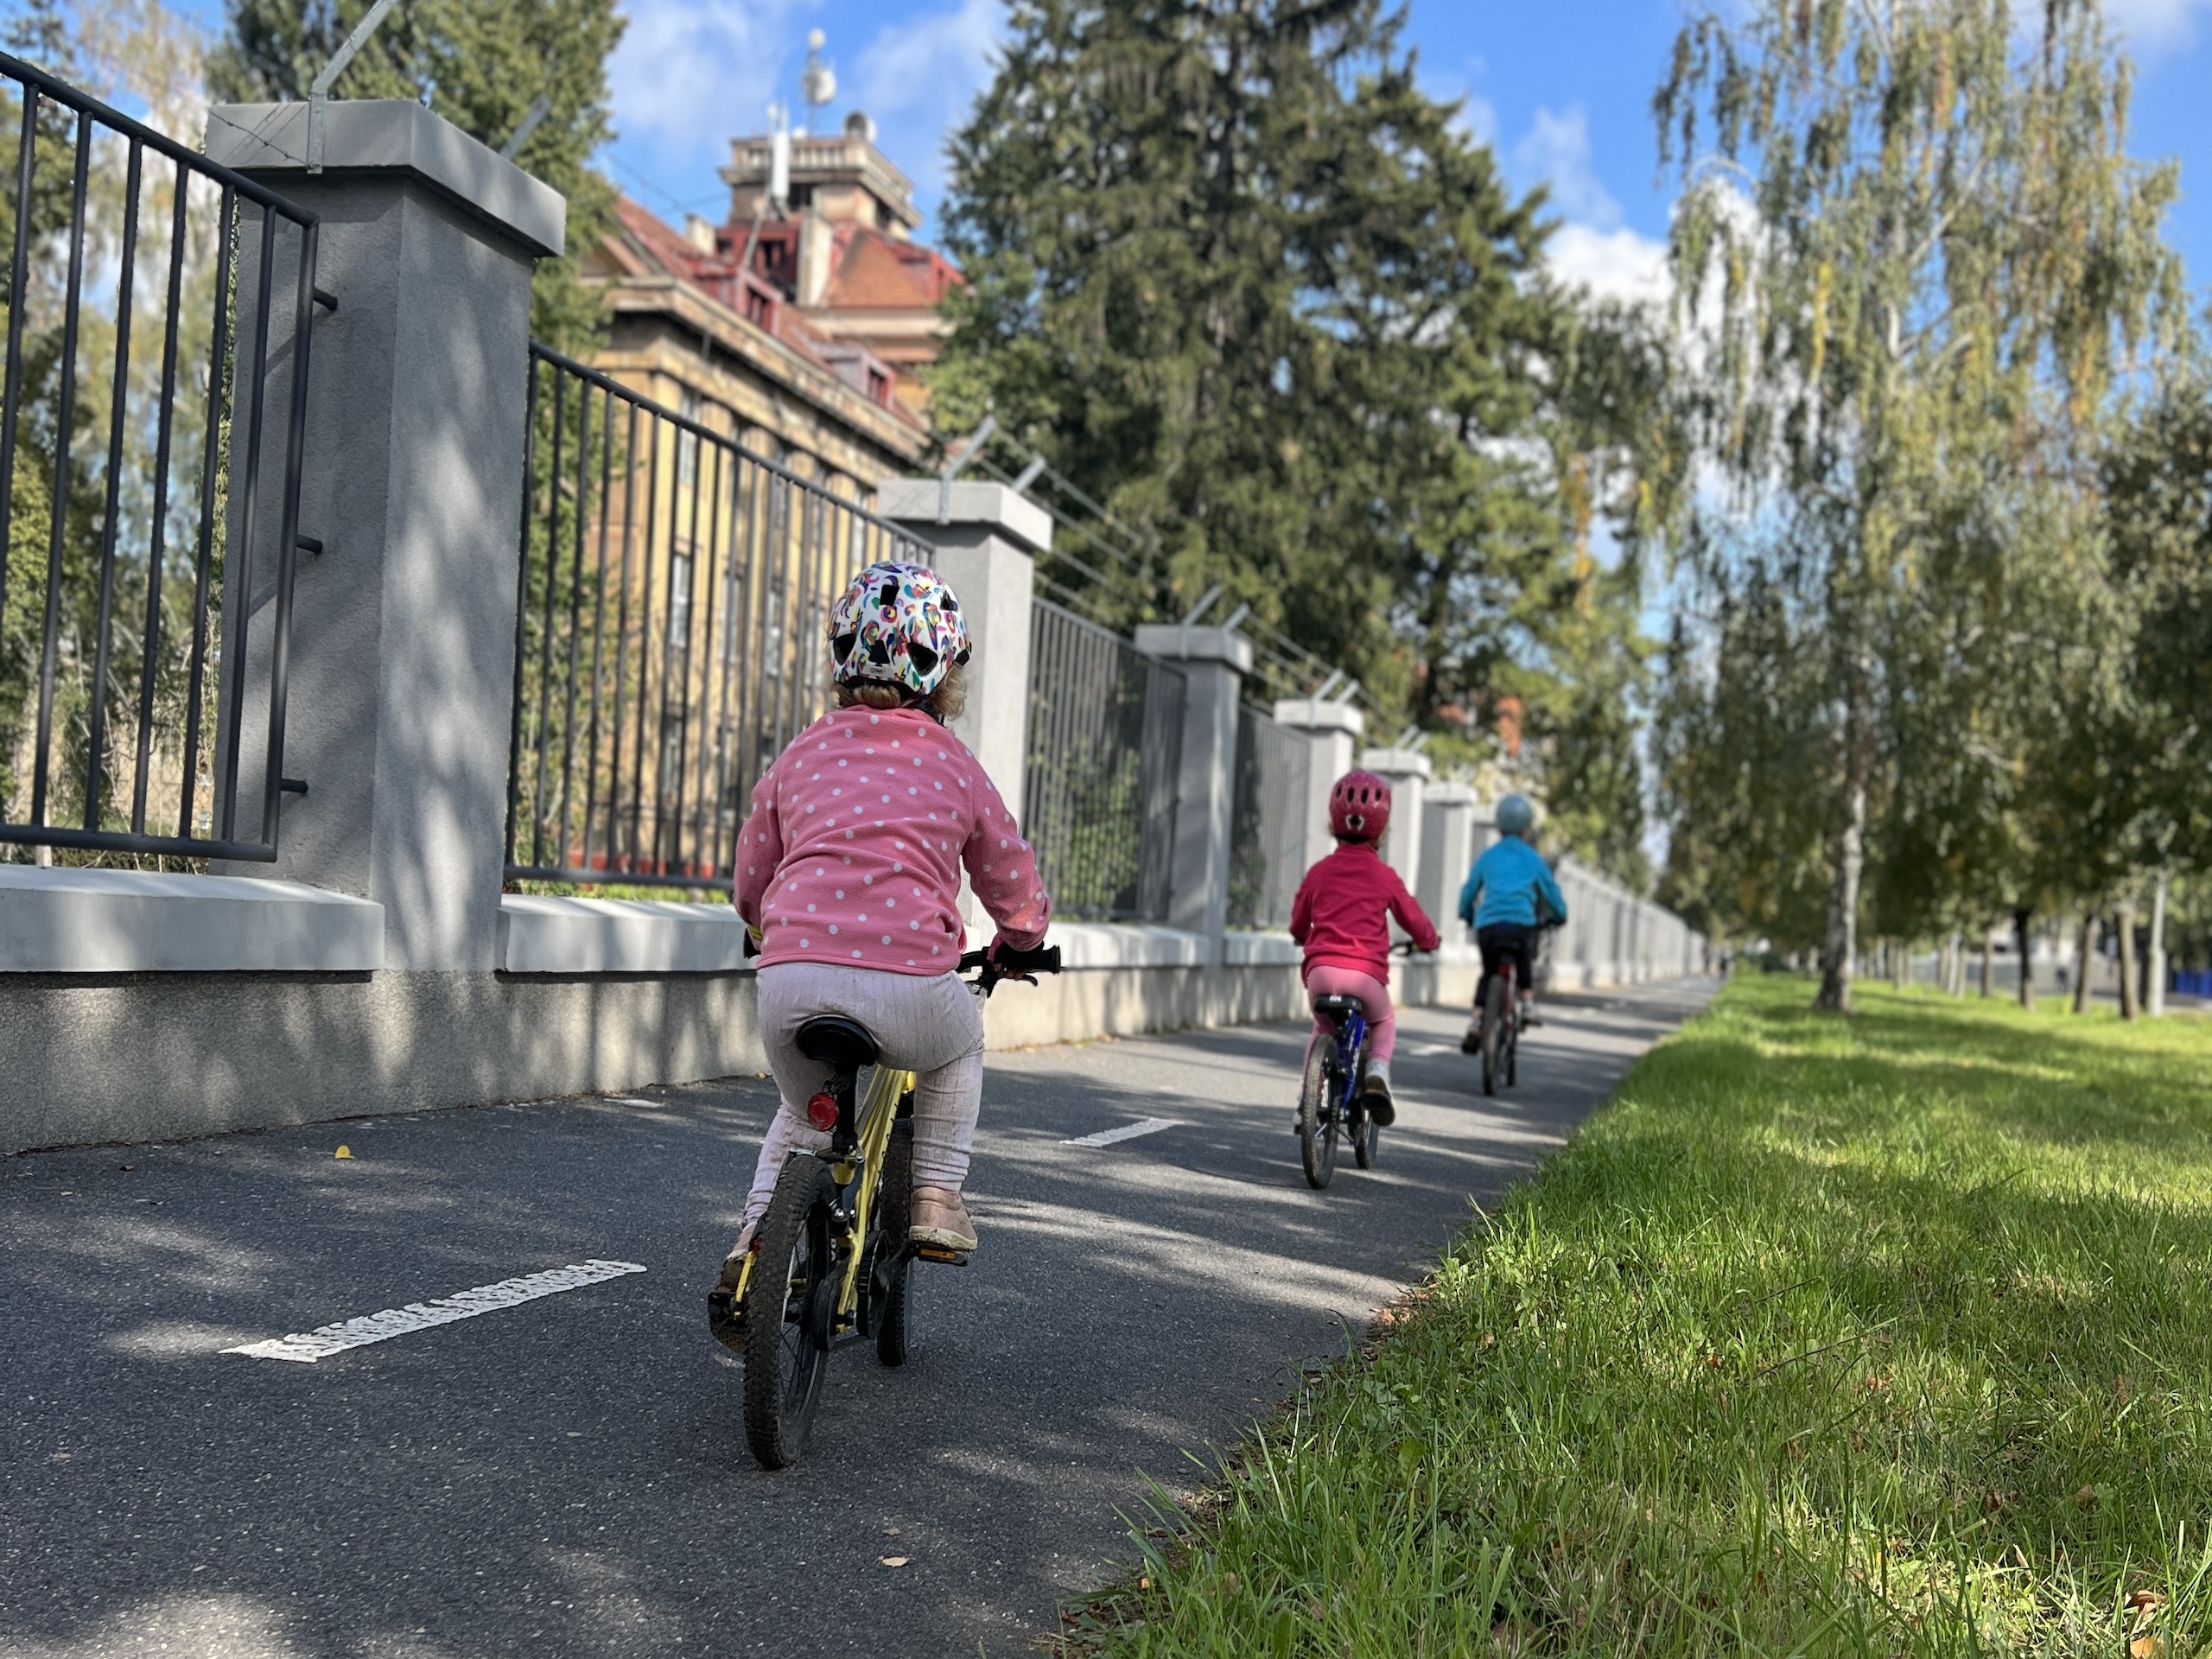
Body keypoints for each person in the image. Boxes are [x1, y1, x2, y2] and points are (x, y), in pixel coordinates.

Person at [719, 560, 1051, 1287]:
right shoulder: (954, 763)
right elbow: (1010, 876)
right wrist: (1022, 940)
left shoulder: (804, 749)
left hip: (790, 984)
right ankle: (935, 1194)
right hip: (911, 990)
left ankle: (752, 1250)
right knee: (958, 1048)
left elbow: (753, 865)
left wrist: (760, 925)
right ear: (944, 678)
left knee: (801, 1114)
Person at [1287, 770, 1440, 1126]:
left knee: (1323, 1030)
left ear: (1333, 823)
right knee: (1383, 1021)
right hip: (1365, 978)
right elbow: (1415, 921)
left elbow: (1298, 922)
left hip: (1320, 975)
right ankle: (1376, 1072)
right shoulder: (1385, 876)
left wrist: (1300, 935)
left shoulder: (1319, 872)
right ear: (1381, 829)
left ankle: (1306, 1101)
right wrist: (1429, 941)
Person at [1458, 792, 1567, 1052]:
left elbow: (1469, 891)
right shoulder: (1533, 858)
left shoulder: (1488, 856)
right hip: (1521, 925)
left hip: (1489, 926)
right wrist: (1560, 916)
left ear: (1498, 826)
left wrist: (1467, 913)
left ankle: (1476, 1021)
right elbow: (1552, 893)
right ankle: (1527, 1002)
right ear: (1527, 828)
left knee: (1489, 972)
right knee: (1523, 960)